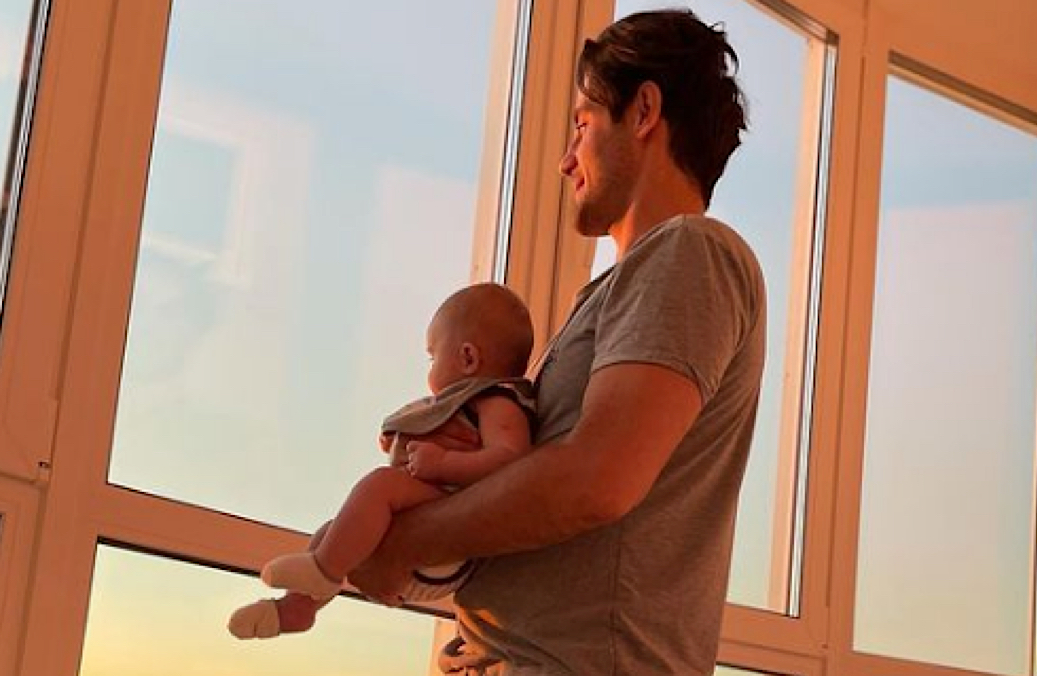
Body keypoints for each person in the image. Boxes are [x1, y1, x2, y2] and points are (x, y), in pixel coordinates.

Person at [350, 9, 764, 674]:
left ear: (644, 111)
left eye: (581, 124)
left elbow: (596, 481)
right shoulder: (620, 288)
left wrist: (400, 543)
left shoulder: (688, 251)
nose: (565, 160)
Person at [228, 282, 536, 640]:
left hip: (448, 549)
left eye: (433, 357)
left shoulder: (498, 401)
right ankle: (298, 608)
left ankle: (323, 572)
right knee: (334, 532)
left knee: (380, 486)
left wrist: (443, 462)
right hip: (428, 526)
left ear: (467, 358)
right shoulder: (463, 403)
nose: (430, 368)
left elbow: (511, 461)